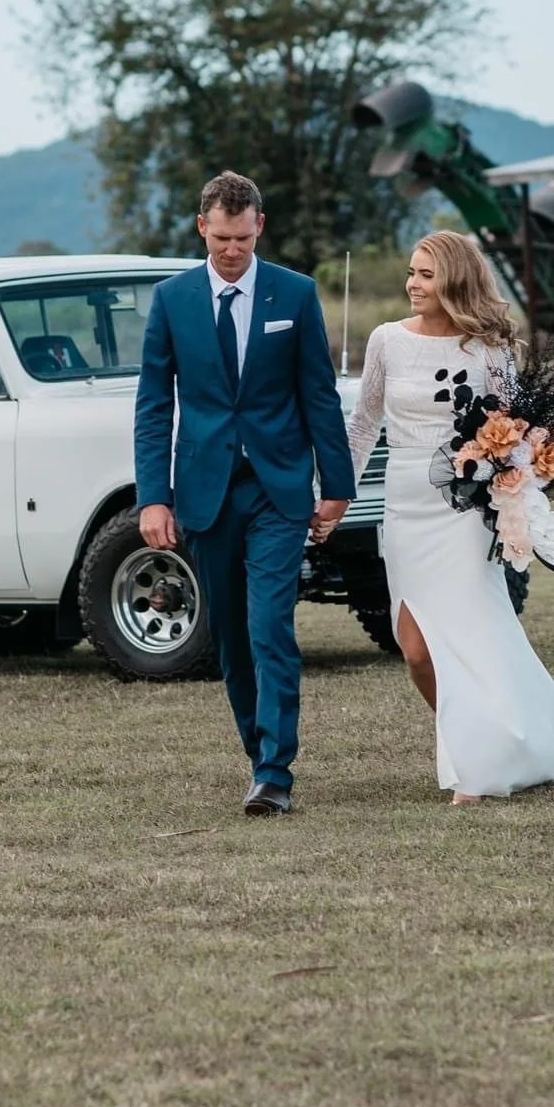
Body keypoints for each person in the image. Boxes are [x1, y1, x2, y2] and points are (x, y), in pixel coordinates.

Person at [134, 171, 355, 817]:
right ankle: (256, 751)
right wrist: (154, 497)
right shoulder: (172, 299)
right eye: (221, 237)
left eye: (243, 236)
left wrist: (336, 486)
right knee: (230, 635)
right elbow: (153, 405)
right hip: (204, 494)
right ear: (202, 227)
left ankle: (274, 772)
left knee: (268, 627)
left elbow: (318, 393)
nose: (232, 250)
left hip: (278, 490)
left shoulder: (295, 293)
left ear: (260, 225)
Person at [347, 231, 554, 804]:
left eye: (425, 274)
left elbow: (512, 430)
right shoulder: (386, 341)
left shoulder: (490, 350)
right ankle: (498, 738)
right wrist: (335, 495)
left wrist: (516, 478)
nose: (412, 284)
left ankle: (476, 762)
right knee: (414, 647)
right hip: (403, 507)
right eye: (410, 272)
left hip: (463, 509)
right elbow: (362, 424)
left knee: (476, 633)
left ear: (454, 278)